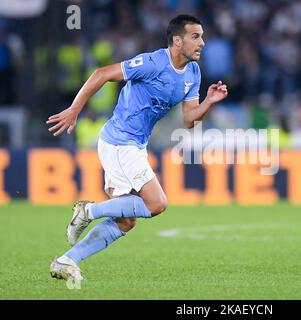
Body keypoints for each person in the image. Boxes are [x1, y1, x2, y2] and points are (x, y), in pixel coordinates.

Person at [46, 15, 228, 282]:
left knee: (126, 221)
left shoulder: (192, 72)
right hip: (120, 142)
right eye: (195, 36)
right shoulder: (153, 62)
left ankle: (67, 260)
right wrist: (74, 110)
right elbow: (102, 74)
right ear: (177, 41)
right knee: (157, 204)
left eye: (201, 36)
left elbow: (190, 120)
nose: (202, 42)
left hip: (133, 145)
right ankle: (88, 211)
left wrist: (210, 101)